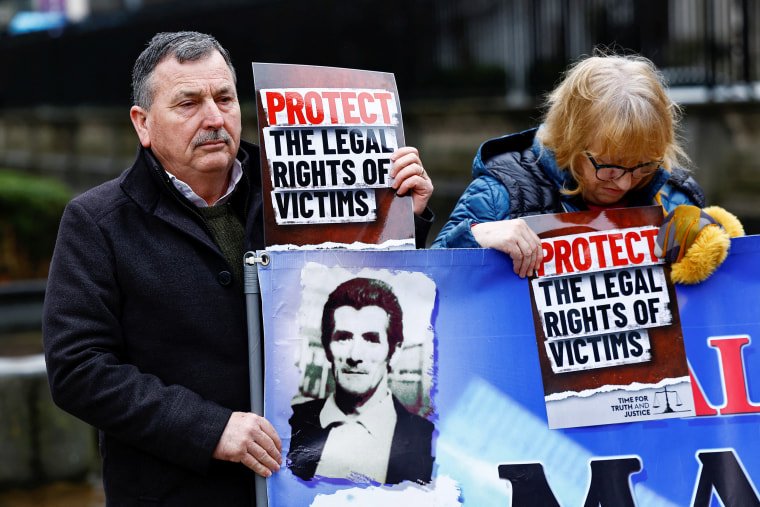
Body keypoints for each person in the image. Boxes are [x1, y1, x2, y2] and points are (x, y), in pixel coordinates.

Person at [42, 31, 434, 506]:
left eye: (224, 98)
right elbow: (78, 369)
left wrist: (402, 219)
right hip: (174, 491)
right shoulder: (96, 222)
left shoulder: (301, 187)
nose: (214, 118)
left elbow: (362, 291)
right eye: (188, 103)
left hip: (306, 487)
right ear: (142, 124)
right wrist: (211, 429)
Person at [433, 53, 743, 284]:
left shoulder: (675, 196)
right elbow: (431, 285)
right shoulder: (501, 191)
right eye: (608, 166)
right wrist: (475, 237)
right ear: (569, 139)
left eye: (642, 167)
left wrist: (715, 245)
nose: (623, 183)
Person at [287, 277, 434, 484]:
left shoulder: (427, 439)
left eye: (371, 339)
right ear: (327, 347)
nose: (355, 355)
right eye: (343, 337)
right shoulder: (290, 423)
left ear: (394, 351)